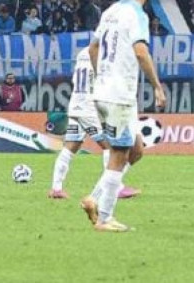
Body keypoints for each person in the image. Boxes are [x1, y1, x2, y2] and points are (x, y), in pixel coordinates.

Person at [81, 0, 166, 232]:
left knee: (136, 149)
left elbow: (94, 48)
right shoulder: (137, 15)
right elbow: (141, 52)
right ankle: (105, 217)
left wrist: (101, 74)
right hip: (118, 94)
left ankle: (93, 198)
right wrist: (157, 87)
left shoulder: (110, 12)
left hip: (108, 91)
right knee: (119, 153)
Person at [49, 48, 141, 200]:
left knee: (71, 147)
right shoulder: (103, 54)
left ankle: (56, 189)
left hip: (76, 104)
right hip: (89, 107)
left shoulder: (83, 53)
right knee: (111, 148)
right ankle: (115, 188)